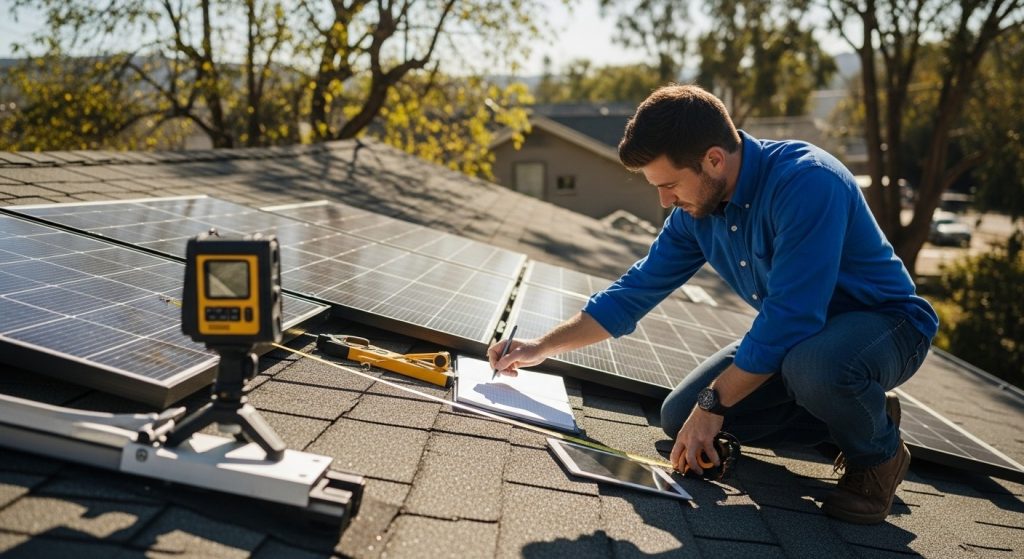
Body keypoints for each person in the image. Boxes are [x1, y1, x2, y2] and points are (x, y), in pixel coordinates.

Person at [488, 84, 937, 525]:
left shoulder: (807, 183)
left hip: (887, 326)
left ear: (714, 159)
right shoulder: (696, 212)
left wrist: (714, 407)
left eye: (669, 185)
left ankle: (878, 455)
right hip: (801, 341)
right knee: (678, 415)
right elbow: (634, 292)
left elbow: (792, 318)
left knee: (807, 370)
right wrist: (540, 348)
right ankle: (862, 412)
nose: (665, 201)